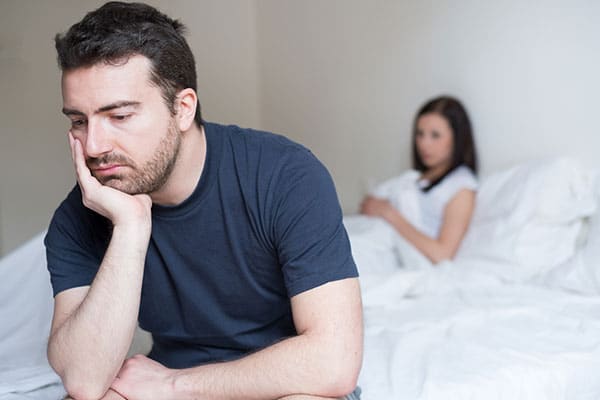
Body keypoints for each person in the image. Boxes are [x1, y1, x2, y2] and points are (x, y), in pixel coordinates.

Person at [44, 2, 363, 400]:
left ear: (182, 108)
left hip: (286, 383)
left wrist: (177, 386)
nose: (93, 146)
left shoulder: (286, 175)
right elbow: (84, 380)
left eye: (120, 116)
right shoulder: (80, 215)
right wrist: (130, 229)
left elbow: (334, 362)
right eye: (79, 121)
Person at [360, 96, 478, 264]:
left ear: (457, 139)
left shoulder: (462, 186)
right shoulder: (417, 178)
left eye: (435, 135)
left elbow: (443, 254)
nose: (424, 144)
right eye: (420, 134)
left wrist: (388, 213)